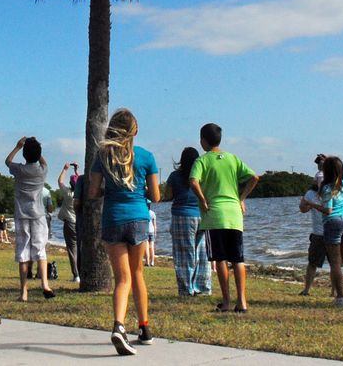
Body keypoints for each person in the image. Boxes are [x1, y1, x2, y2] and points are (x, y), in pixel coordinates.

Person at [90, 108, 159, 355]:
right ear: (135, 131)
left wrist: (109, 191)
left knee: (122, 278)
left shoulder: (102, 156)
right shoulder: (146, 157)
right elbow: (156, 195)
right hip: (139, 218)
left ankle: (119, 325)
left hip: (113, 219)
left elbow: (92, 192)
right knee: (138, 273)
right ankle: (144, 328)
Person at [190, 122, 259, 314]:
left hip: (214, 215)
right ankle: (242, 301)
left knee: (220, 259)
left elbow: (193, 182)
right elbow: (254, 177)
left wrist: (202, 200)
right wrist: (241, 198)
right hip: (234, 215)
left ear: (203, 141)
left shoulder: (202, 161)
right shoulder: (232, 158)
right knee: (238, 259)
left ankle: (227, 301)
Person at [7, 136, 53, 301]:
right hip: (38, 215)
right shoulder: (42, 171)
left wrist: (18, 146)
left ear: (24, 155)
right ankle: (45, 285)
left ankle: (24, 292)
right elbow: (44, 162)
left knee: (23, 253)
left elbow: (8, 161)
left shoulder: (19, 170)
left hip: (21, 215)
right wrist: (36, 147)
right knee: (40, 250)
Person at [164, 146, 209, 297]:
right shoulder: (202, 174)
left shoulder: (175, 176)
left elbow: (168, 196)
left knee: (184, 254)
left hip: (181, 215)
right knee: (202, 253)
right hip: (202, 215)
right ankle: (202, 287)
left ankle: (186, 289)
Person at [317, 156, 343, 307]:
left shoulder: (327, 188)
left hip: (332, 222)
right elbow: (337, 168)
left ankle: (340, 297)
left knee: (335, 262)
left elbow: (328, 210)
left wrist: (312, 205)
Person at [298, 183, 327, 297]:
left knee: (335, 263)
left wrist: (311, 205)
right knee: (313, 263)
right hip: (319, 233)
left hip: (329, 231)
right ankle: (306, 290)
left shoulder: (331, 190)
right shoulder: (311, 193)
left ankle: (334, 291)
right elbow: (302, 209)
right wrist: (309, 205)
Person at [56, 163, 80, 283]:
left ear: (70, 184)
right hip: (80, 223)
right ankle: (81, 272)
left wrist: (65, 169)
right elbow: (78, 182)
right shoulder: (82, 194)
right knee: (80, 248)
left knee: (72, 249)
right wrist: (76, 171)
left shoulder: (68, 193)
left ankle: (76, 275)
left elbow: (60, 181)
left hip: (69, 223)